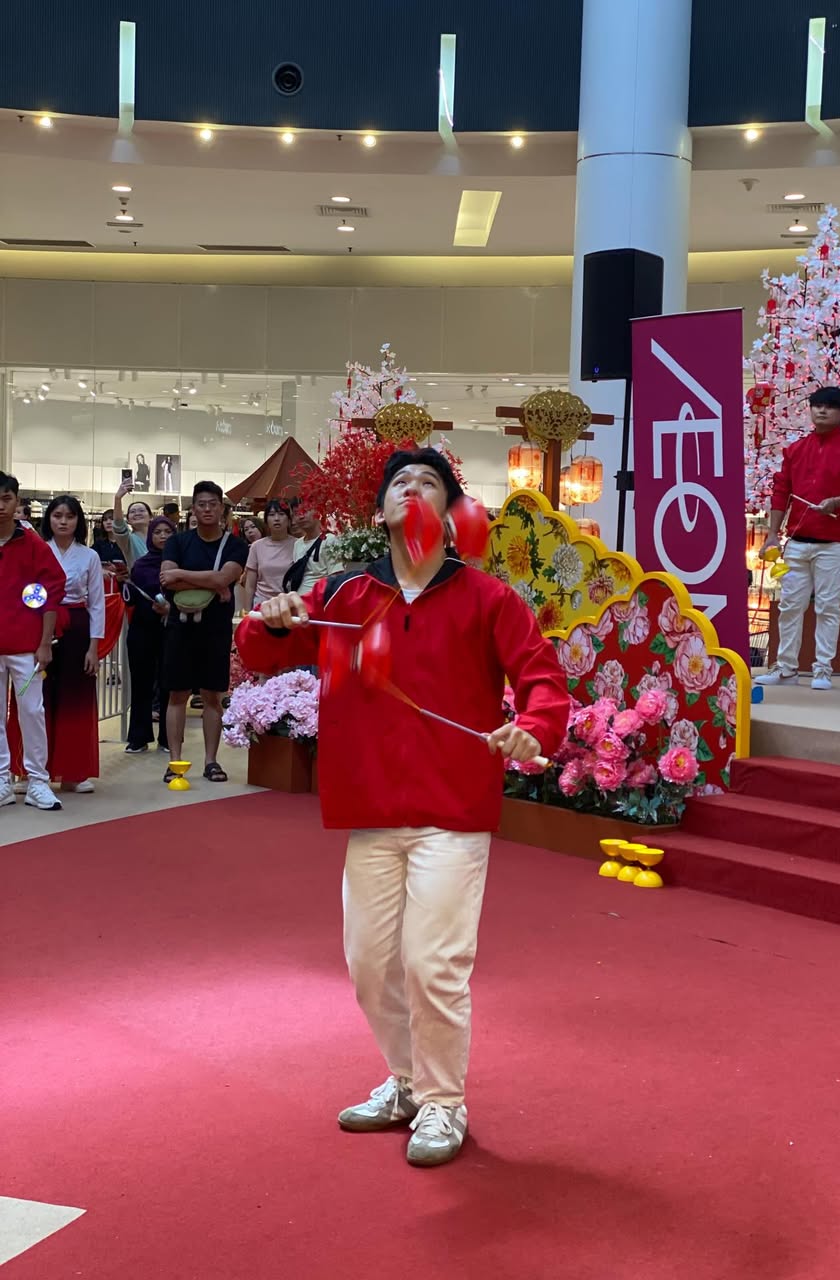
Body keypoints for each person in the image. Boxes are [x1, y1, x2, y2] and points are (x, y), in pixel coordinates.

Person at [245, 448, 568, 1167]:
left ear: (454, 516)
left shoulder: (489, 600)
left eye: (430, 484)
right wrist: (269, 621)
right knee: (368, 964)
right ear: (381, 511)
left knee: (433, 964)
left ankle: (444, 1102)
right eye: (401, 484)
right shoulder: (342, 595)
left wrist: (532, 728)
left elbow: (544, 682)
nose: (414, 492)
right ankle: (404, 1082)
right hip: (371, 812)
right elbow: (261, 653)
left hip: (453, 813)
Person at [756, 386, 840, 691]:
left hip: (834, 542)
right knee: (789, 606)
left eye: (829, 407)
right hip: (797, 540)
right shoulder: (796, 449)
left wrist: (838, 501)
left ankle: (823, 668)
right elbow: (781, 490)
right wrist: (772, 534)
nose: (821, 411)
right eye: (816, 406)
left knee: (827, 606)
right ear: (810, 410)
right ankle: (786, 668)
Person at [159, 481, 247, 783]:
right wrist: (211, 582)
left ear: (221, 508)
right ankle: (175, 762)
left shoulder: (236, 545)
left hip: (215, 628)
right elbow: (166, 581)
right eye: (201, 504)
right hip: (179, 627)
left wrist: (182, 574)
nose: (207, 509)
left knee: (212, 694)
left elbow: (225, 576)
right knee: (177, 695)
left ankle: (211, 761)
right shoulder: (178, 542)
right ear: (193, 509)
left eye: (213, 504)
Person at [0, 472, 66, 811]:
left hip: (26, 647)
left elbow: (53, 592)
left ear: (17, 502)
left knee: (31, 711)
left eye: (6, 498)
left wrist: (44, 642)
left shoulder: (32, 543)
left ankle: (38, 780)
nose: (0, 506)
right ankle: (2, 780)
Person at [41, 495, 105, 793]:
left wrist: (94, 647)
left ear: (79, 521)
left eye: (69, 516)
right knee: (37, 700)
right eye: (57, 516)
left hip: (78, 629)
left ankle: (73, 771)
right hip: (42, 625)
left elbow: (96, 604)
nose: (63, 521)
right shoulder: (38, 551)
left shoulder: (89, 556)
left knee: (75, 699)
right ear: (49, 519)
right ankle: (33, 771)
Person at [124, 516, 176, 754]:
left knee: (169, 683)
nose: (163, 536)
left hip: (172, 630)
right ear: (150, 536)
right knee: (141, 683)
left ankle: (168, 737)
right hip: (142, 630)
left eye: (168, 532)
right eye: (158, 532)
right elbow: (131, 598)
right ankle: (138, 737)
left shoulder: (182, 564)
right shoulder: (141, 565)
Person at [239, 500, 296, 611]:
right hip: (262, 604)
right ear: (266, 521)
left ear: (289, 520)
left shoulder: (298, 545)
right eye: (271, 514)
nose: (276, 518)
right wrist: (246, 611)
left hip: (289, 605)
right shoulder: (256, 547)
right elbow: (250, 584)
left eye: (281, 514)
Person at [284, 505, 343, 599]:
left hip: (319, 600)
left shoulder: (330, 540)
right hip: (298, 599)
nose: (301, 516)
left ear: (317, 512)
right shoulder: (297, 544)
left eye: (306, 510)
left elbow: (335, 576)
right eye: (296, 513)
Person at [112, 480, 152, 565]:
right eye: (133, 511)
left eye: (141, 510)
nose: (137, 513)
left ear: (150, 517)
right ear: (128, 520)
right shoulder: (127, 540)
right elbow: (118, 525)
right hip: (138, 578)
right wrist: (117, 498)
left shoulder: (159, 537)